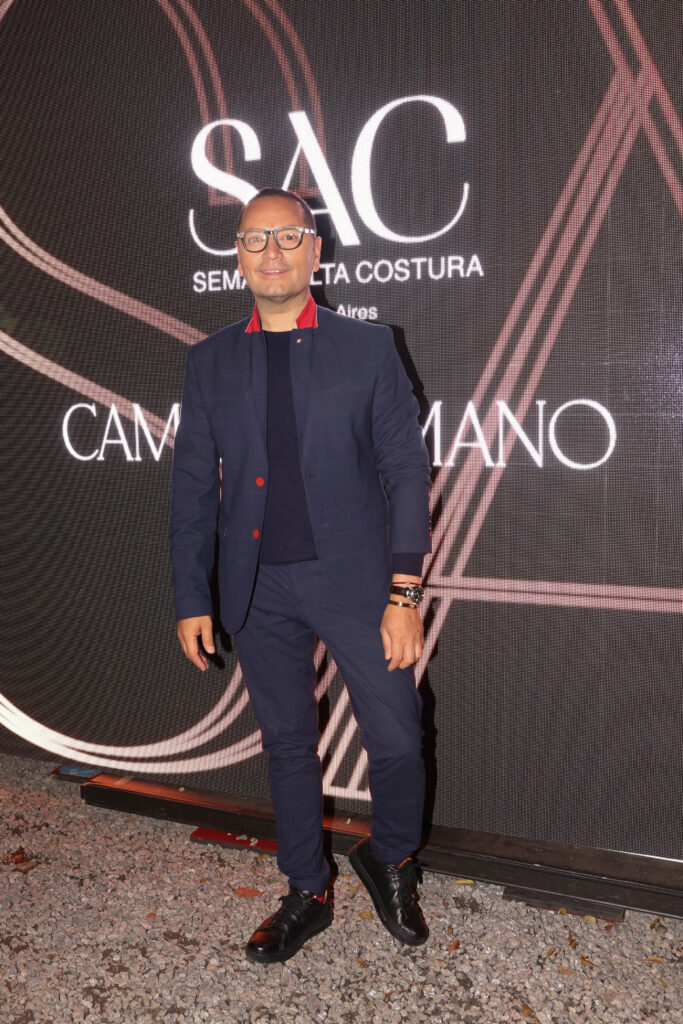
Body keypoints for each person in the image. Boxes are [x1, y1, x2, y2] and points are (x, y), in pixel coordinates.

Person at [170, 187, 432, 964]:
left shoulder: (368, 347)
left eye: (287, 237)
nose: (272, 253)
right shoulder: (209, 360)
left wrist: (404, 592)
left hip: (356, 583)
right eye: (255, 240)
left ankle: (389, 857)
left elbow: (405, 473)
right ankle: (306, 890)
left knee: (397, 740)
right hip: (257, 589)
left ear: (314, 251)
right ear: (238, 258)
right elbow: (192, 489)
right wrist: (191, 595)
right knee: (287, 745)